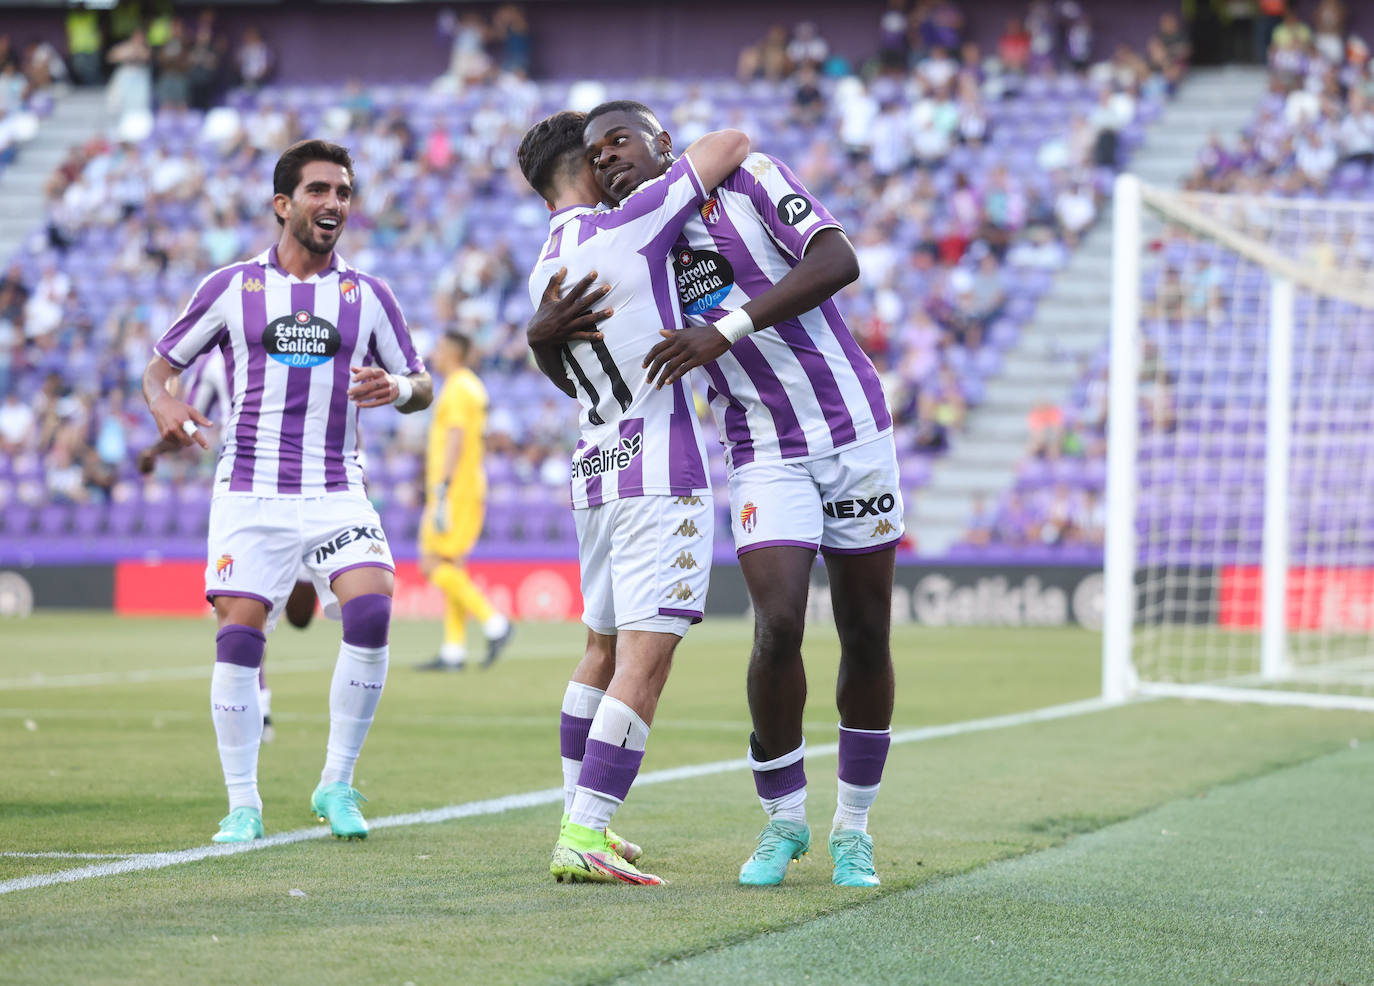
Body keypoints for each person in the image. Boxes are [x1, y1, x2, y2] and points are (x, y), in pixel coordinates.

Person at [544, 100, 903, 888]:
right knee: (776, 627)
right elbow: (586, 355)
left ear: (663, 145)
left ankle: (854, 827)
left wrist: (727, 328)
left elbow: (837, 262)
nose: (607, 160)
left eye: (620, 143)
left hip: (854, 432)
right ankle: (784, 822)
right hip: (762, 451)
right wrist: (540, 336)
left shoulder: (750, 182)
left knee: (866, 632)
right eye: (595, 157)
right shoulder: (637, 243)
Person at [141, 139, 432, 845]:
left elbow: (423, 384)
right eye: (319, 190)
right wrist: (165, 407)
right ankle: (243, 804)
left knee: (370, 610)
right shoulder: (230, 287)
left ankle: (336, 783)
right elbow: (159, 370)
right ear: (284, 204)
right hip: (250, 492)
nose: (334, 203)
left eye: (343, 192)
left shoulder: (368, 296)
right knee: (239, 640)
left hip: (335, 488)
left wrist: (396, 388)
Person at [518, 110, 749, 884]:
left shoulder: (542, 266)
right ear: (583, 167)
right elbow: (730, 146)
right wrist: (660, 153)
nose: (615, 162)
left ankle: (573, 817)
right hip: (657, 467)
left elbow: (556, 356)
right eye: (602, 152)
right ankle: (584, 832)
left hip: (594, 467)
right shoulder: (628, 224)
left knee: (601, 649)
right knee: (645, 660)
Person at [137, 346, 330, 743]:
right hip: (245, 489)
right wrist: (155, 450)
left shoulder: (294, 343)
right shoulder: (212, 363)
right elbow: (191, 423)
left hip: (307, 484)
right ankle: (260, 707)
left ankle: (300, 573)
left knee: (299, 617)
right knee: (244, 605)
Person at [416, 329, 513, 671]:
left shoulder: (458, 387)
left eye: (440, 348)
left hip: (455, 489)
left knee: (430, 563)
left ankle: (494, 622)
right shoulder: (470, 385)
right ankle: (454, 651)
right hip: (466, 485)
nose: (435, 355)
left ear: (454, 352)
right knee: (451, 566)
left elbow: (456, 437)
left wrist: (441, 488)